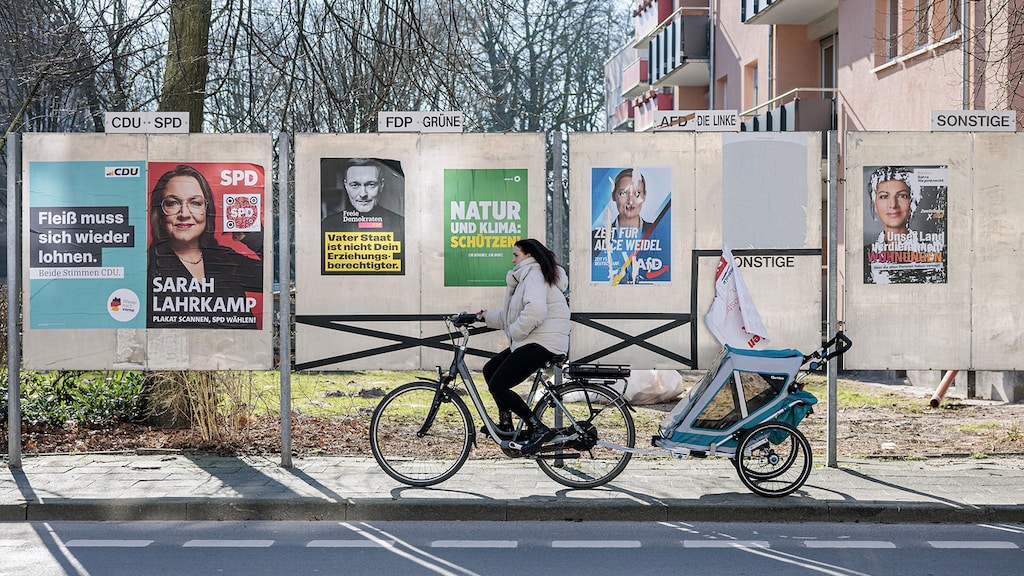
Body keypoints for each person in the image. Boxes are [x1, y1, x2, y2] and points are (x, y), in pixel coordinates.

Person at [476, 238, 571, 454]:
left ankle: (536, 427)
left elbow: (535, 311)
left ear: (528, 256)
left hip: (543, 341)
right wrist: (485, 317)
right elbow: (514, 316)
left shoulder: (534, 275)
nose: (512, 259)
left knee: (498, 384)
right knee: (490, 370)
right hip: (537, 339)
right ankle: (506, 424)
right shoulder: (530, 276)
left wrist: (515, 332)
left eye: (515, 254)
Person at [147, 164, 263, 329]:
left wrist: (253, 236)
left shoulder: (226, 260)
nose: (184, 214)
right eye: (172, 203)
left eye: (195, 203)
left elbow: (280, 278)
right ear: (159, 213)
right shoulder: (145, 268)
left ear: (207, 210)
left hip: (237, 352)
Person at [863, 166, 945, 284]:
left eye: (902, 195)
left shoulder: (932, 252)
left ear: (913, 202)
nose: (893, 205)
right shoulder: (864, 256)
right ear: (875, 205)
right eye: (884, 196)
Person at [321, 158, 404, 237]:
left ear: (381, 185)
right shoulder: (328, 225)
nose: (363, 194)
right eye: (355, 185)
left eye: (371, 185)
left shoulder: (401, 224)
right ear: (346, 186)